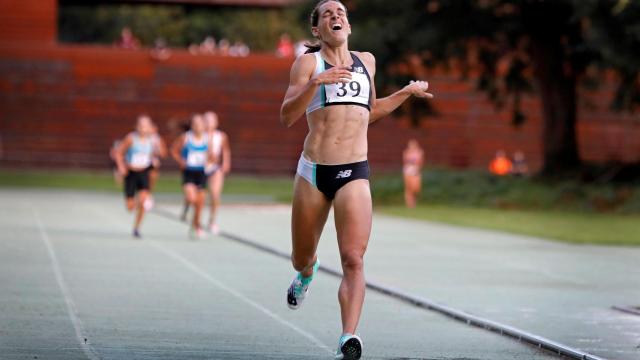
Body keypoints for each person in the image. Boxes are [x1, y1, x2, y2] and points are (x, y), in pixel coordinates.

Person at [279, 1, 434, 358]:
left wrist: (405, 94)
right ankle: (307, 272)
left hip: (355, 170)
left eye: (341, 12)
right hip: (314, 172)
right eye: (327, 14)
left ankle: (349, 337)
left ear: (348, 25)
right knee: (300, 256)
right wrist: (315, 83)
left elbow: (370, 111)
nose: (336, 16)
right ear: (317, 30)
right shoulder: (308, 63)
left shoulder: (367, 61)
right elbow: (287, 115)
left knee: (353, 258)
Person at [114, 114, 158, 238]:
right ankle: (135, 202)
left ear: (150, 127)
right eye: (140, 126)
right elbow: (118, 153)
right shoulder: (131, 139)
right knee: (130, 206)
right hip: (131, 173)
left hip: (144, 173)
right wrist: (121, 166)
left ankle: (137, 228)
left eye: (145, 126)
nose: (143, 128)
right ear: (136, 127)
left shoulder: (152, 140)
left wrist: (153, 160)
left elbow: (153, 154)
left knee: (143, 201)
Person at [171, 114, 212, 239]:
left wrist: (209, 161)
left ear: (204, 126)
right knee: (192, 198)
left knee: (200, 203)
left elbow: (211, 154)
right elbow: (174, 150)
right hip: (189, 172)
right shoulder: (186, 138)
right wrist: (180, 161)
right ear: (192, 126)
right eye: (195, 124)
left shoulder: (207, 139)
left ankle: (195, 226)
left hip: (201, 173)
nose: (198, 127)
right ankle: (187, 207)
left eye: (200, 124)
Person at [204, 111, 231, 234]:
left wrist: (225, 163)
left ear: (216, 123)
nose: (209, 123)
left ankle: (212, 220)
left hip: (215, 169)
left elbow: (225, 150)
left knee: (215, 195)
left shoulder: (221, 136)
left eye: (211, 120)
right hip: (200, 169)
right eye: (206, 120)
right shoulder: (199, 136)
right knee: (199, 196)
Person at [145, 122, 168, 210]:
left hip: (152, 163)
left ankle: (148, 197)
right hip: (140, 164)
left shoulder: (157, 139)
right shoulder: (139, 138)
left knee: (151, 180)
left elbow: (164, 153)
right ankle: (142, 196)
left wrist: (157, 152)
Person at [402, 139, 424, 208]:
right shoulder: (406, 152)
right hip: (408, 171)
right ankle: (410, 204)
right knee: (408, 188)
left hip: (416, 171)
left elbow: (421, 162)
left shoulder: (420, 152)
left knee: (415, 188)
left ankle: (414, 200)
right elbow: (405, 162)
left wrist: (418, 168)